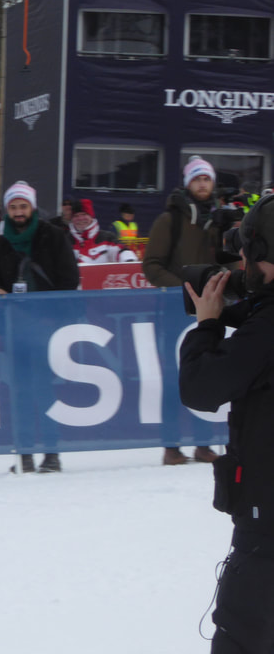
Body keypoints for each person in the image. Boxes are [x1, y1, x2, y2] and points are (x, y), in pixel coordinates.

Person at [179, 194, 274, 654]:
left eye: (246, 255)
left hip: (267, 547)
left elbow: (202, 389)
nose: (239, 266)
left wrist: (208, 325)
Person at [0, 181, 79, 474]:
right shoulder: (3, 242)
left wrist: (54, 316)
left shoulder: (53, 236)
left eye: (23, 206)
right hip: (16, 327)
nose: (18, 212)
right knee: (20, 392)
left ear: (32, 207)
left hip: (47, 326)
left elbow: (70, 279)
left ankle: (51, 453)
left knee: (45, 389)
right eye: (13, 207)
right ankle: (24, 454)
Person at [143, 156, 222, 466]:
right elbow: (152, 265)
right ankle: (171, 445)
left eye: (207, 179)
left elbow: (228, 260)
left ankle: (204, 443)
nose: (202, 184)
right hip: (174, 311)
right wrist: (185, 290)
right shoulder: (170, 220)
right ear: (188, 184)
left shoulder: (217, 220)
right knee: (173, 378)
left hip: (210, 311)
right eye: (197, 179)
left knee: (208, 375)